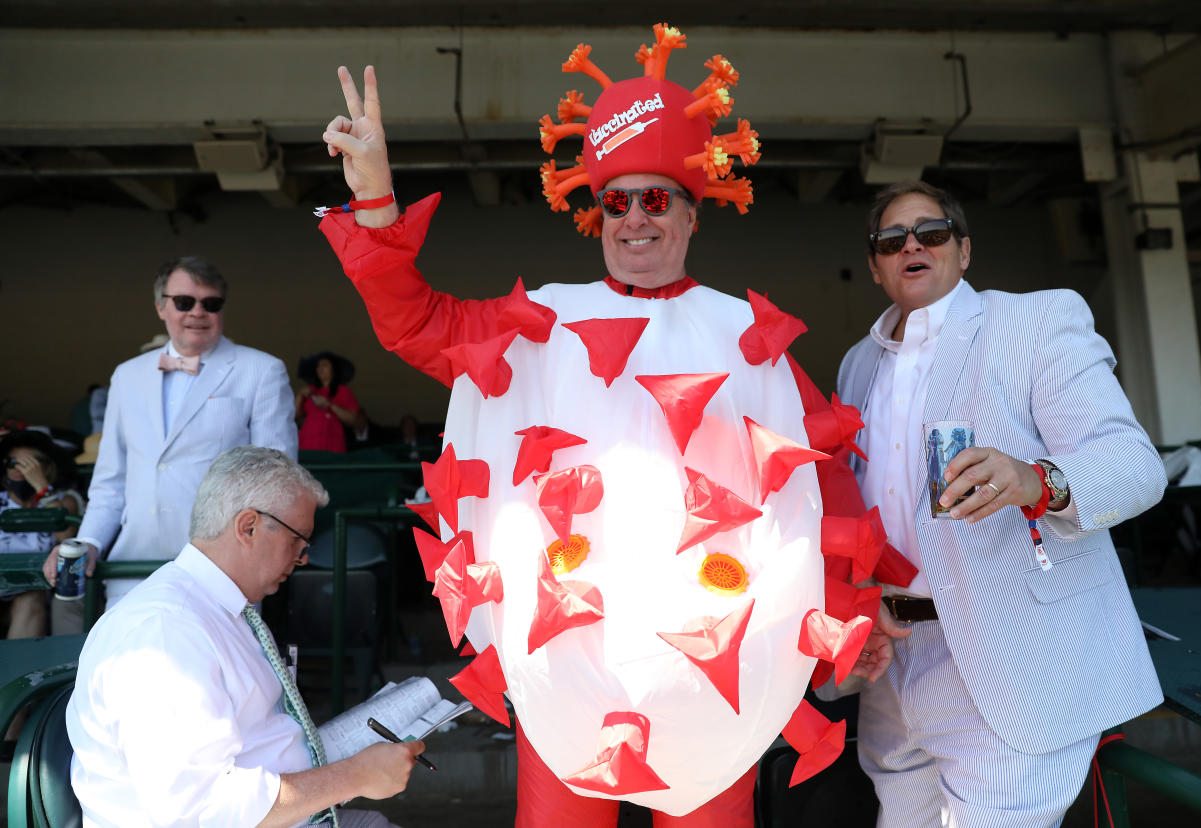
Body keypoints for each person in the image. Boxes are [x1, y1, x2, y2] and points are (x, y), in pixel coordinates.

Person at [318, 25, 900, 827]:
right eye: (614, 201)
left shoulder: (747, 334)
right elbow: (417, 325)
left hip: (713, 673)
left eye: (656, 199)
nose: (634, 219)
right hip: (566, 668)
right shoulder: (544, 320)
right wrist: (376, 199)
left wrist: (852, 610)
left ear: (693, 216)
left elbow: (821, 478)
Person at [837, 180, 1166, 827]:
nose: (912, 245)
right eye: (891, 239)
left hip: (1008, 655)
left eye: (930, 233)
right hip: (893, 662)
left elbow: (1133, 465)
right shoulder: (857, 364)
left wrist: (1036, 480)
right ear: (876, 266)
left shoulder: (1036, 320)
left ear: (962, 250)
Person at [67, 446, 422, 828]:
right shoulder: (165, 632)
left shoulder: (218, 609)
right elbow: (199, 811)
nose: (301, 559)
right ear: (248, 526)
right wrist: (354, 775)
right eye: (297, 542)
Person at [42, 256, 298, 628]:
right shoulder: (127, 375)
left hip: (222, 570)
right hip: (133, 567)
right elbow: (111, 481)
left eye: (211, 303)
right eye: (184, 302)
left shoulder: (261, 370)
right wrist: (90, 541)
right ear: (161, 306)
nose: (198, 312)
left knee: (213, 684)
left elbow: (276, 478)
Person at [0, 429, 81, 640]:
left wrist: (42, 487)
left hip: (38, 596)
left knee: (30, 595)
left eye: (32, 463)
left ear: (48, 466)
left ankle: (19, 672)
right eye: (13, 462)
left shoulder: (66, 500)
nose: (21, 469)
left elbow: (66, 536)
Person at [296, 351, 362, 453]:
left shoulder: (343, 391)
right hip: (308, 443)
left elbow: (353, 420)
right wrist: (300, 395)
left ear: (334, 369)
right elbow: (293, 415)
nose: (320, 368)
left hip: (332, 443)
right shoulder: (309, 391)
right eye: (318, 366)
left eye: (324, 365)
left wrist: (330, 405)